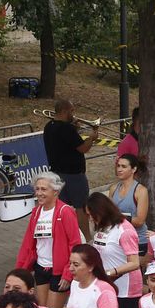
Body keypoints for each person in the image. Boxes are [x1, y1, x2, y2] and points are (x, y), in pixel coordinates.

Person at [16, 173, 81, 308]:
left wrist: (68, 273)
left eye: (43, 189)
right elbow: (28, 243)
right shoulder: (36, 212)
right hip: (41, 268)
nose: (39, 193)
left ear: (56, 191)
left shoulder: (65, 212)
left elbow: (75, 245)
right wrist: (20, 270)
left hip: (59, 271)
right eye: (37, 189)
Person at [86, 193, 143, 308]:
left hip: (126, 289)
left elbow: (135, 262)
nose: (90, 218)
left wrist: (111, 272)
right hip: (107, 285)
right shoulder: (102, 228)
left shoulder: (125, 230)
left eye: (92, 214)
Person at [44, 100, 99, 234]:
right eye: (72, 111)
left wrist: (75, 130)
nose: (73, 114)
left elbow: (65, 143)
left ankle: (66, 237)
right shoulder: (66, 128)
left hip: (57, 173)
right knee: (81, 207)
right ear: (64, 111)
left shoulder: (49, 126)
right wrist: (91, 138)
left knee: (62, 207)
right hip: (74, 174)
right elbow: (83, 148)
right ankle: (87, 238)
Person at [106, 152, 150, 230]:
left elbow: (140, 221)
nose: (119, 169)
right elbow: (108, 212)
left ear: (134, 169)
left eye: (124, 166)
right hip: (117, 235)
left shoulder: (141, 191)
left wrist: (117, 217)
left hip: (137, 237)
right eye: (118, 166)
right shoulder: (113, 188)